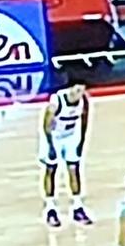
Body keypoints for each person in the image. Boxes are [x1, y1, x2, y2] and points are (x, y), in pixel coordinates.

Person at [38, 80, 92, 227]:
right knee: (51, 170)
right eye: (77, 90)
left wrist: (81, 142)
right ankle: (50, 208)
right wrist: (50, 147)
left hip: (70, 136)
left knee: (74, 170)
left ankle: (77, 206)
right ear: (70, 89)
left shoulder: (83, 101)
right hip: (53, 136)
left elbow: (84, 121)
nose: (79, 94)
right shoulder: (57, 101)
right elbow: (46, 125)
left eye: (82, 91)